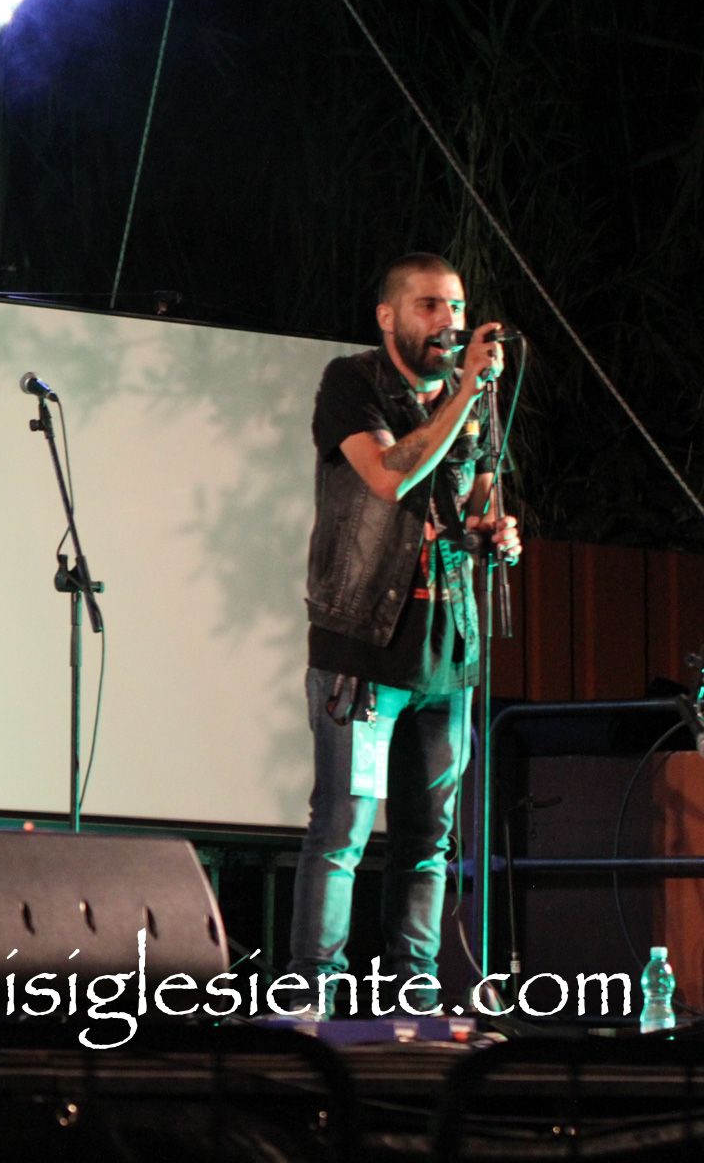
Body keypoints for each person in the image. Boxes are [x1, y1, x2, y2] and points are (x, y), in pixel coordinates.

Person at [290, 253, 521, 1015]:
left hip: (447, 652)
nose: (448, 322)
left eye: (456, 307)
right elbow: (391, 475)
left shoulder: (474, 399)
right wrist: (464, 393)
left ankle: (411, 998)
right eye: (429, 306)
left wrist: (497, 529)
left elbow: (480, 496)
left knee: (429, 842)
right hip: (364, 649)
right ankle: (312, 996)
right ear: (388, 317)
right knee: (344, 830)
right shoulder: (352, 383)